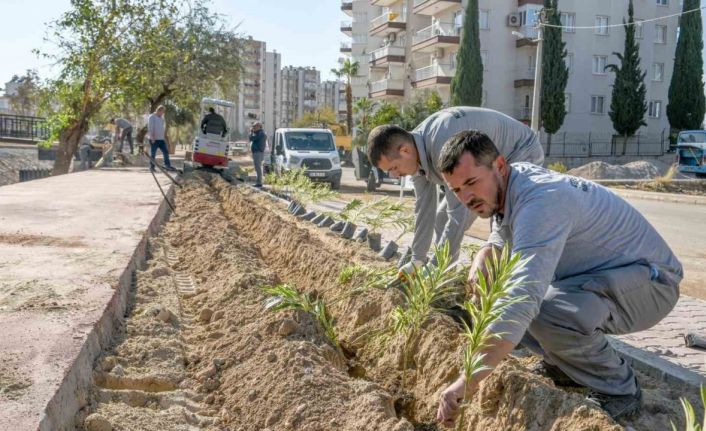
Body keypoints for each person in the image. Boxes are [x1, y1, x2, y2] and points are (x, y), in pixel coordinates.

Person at [435, 130, 682, 425]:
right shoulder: (513, 180)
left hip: (652, 284)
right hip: (603, 277)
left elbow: (521, 301)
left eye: (471, 183)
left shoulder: (542, 202)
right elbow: (504, 221)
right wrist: (487, 251)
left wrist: (468, 380)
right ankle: (566, 367)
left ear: (499, 166)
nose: (466, 198)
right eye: (457, 190)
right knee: (506, 292)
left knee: (542, 309)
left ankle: (620, 391)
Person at [366, 107, 544, 273]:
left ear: (404, 150)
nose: (396, 176)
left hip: (519, 150)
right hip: (485, 163)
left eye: (394, 168)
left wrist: (435, 268)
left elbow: (460, 214)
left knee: (500, 224)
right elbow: (424, 209)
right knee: (441, 217)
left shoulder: (442, 145)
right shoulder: (415, 151)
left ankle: (508, 284)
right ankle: (447, 278)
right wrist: (417, 260)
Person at [147, 105, 176, 172]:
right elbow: (150, 128)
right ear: (158, 110)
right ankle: (152, 167)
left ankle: (167, 165)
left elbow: (162, 128)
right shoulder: (152, 117)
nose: (163, 113)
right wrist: (152, 137)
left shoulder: (161, 118)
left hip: (161, 139)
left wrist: (164, 138)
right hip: (154, 139)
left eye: (163, 112)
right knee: (153, 153)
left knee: (166, 152)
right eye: (162, 112)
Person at [249, 121, 267, 187]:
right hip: (257, 152)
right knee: (257, 168)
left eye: (255, 126)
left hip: (258, 152)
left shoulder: (260, 133)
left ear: (259, 126)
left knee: (258, 168)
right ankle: (259, 182)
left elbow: (251, 138)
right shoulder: (259, 133)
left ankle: (259, 183)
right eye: (253, 126)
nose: (253, 128)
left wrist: (251, 132)